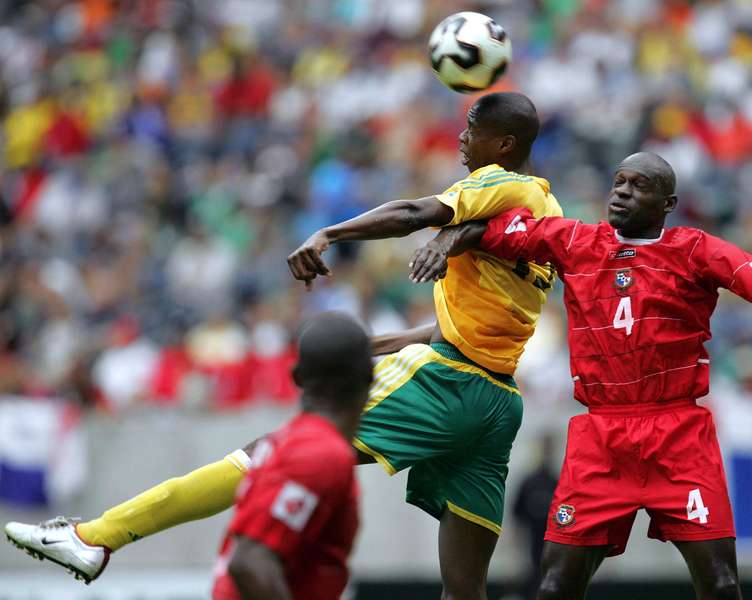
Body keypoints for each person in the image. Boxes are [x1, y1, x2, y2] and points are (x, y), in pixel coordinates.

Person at [5, 92, 563, 600]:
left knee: (267, 453)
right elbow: (471, 323)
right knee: (465, 589)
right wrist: (373, 343)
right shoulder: (549, 213)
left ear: (505, 145)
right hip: (496, 404)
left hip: (446, 381)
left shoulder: (498, 183)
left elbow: (415, 213)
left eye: (472, 131)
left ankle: (97, 537)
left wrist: (329, 233)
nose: (462, 140)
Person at [408, 151, 752, 600]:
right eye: (618, 182)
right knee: (554, 586)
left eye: (640, 186)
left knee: (720, 584)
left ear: (668, 204)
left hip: (678, 435)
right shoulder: (575, 240)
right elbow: (486, 228)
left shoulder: (697, 250)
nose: (622, 192)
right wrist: (444, 241)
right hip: (601, 436)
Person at [7, 312, 373, 600]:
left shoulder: (286, 444)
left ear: (295, 377)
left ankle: (96, 536)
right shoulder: (321, 454)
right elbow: (250, 562)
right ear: (371, 375)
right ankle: (96, 536)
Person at [512, 433, 560, 599]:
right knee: (532, 579)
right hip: (530, 545)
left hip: (552, 546)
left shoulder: (557, 482)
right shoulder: (529, 482)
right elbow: (517, 516)